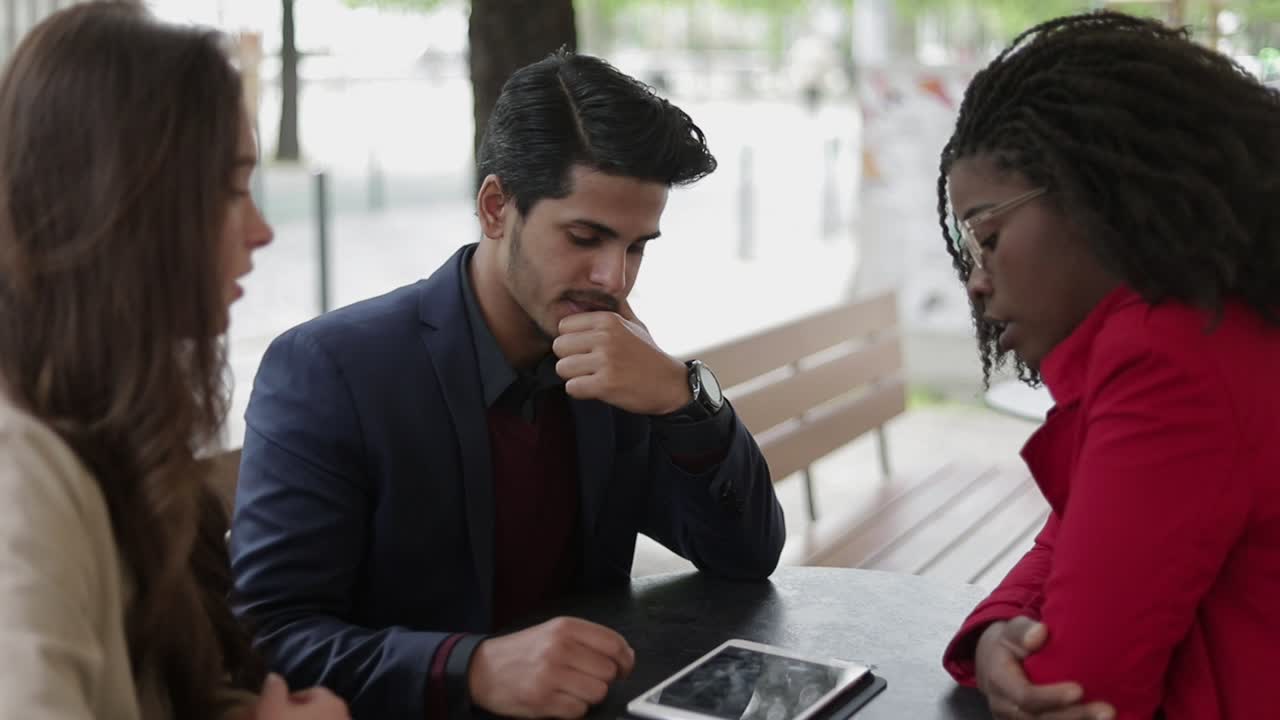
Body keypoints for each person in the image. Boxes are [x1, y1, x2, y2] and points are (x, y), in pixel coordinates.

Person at [230, 48, 787, 720]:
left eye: (638, 246)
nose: (615, 278)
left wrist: (683, 396)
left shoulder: (614, 360)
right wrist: (473, 668)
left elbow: (746, 558)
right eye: (586, 236)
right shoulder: (331, 370)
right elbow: (273, 639)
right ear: (496, 208)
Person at [0, 4, 348, 719]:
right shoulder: (18, 473)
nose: (261, 231)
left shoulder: (95, 420)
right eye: (227, 190)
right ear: (122, 204)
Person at [936, 11, 1280, 720]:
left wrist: (1022, 645)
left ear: (1092, 196)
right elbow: (1079, 527)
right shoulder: (1216, 317)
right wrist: (1003, 625)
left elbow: (1073, 688)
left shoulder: (1171, 356)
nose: (975, 279)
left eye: (989, 236)